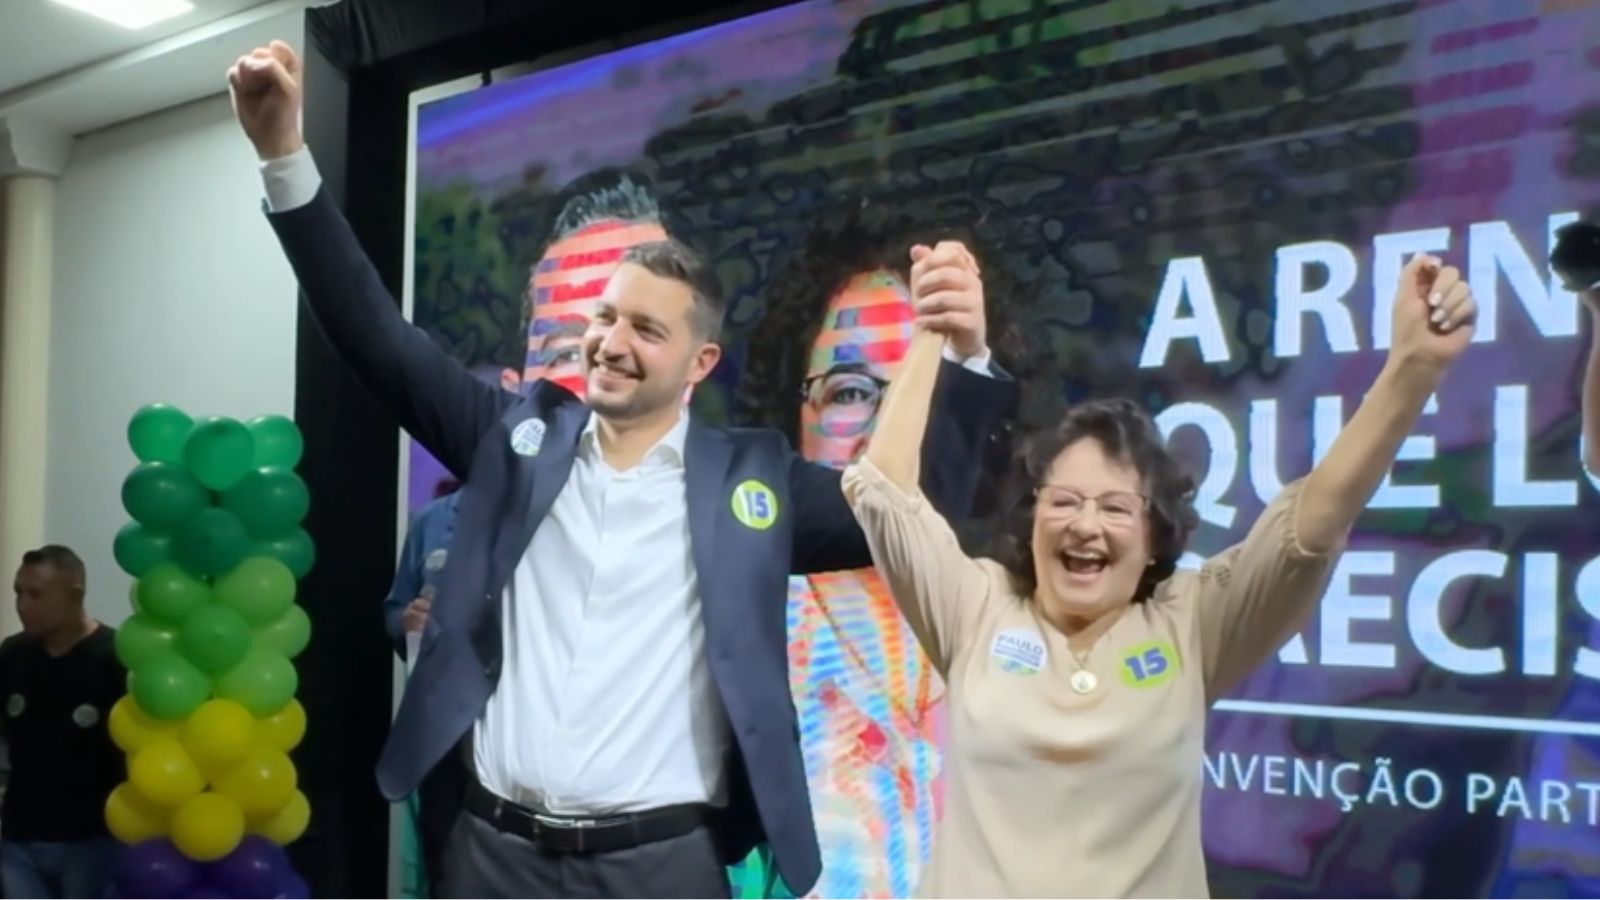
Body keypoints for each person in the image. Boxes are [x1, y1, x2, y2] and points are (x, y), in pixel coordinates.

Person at [228, 40, 1015, 898]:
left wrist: (968, 357)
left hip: (662, 863)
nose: (611, 342)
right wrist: (283, 156)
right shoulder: (511, 438)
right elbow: (376, 338)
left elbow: (915, 510)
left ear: (701, 362)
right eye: (605, 317)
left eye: (647, 328)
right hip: (494, 854)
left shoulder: (753, 484)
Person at [842, 247, 1477, 898]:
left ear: (1153, 538)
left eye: (1116, 507)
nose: (1085, 525)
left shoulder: (1195, 619)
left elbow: (1315, 519)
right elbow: (883, 490)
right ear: (1032, 520)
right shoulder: (974, 604)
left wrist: (1414, 367)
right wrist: (932, 333)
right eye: (1063, 502)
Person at [732, 200, 997, 898]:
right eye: (851, 389)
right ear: (796, 415)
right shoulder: (735, 618)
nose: (887, 423)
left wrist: (967, 352)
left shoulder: (1002, 605)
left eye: (914, 383)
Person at [0, 546, 124, 899]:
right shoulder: (13, 655)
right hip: (18, 841)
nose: (23, 604)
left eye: (36, 594)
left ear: (75, 595)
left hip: (90, 842)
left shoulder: (115, 659)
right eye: (18, 593)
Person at [384, 482, 461, 899]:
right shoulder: (432, 520)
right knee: (440, 844)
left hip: (516, 724)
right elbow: (394, 609)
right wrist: (406, 621)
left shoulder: (535, 516)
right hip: (440, 723)